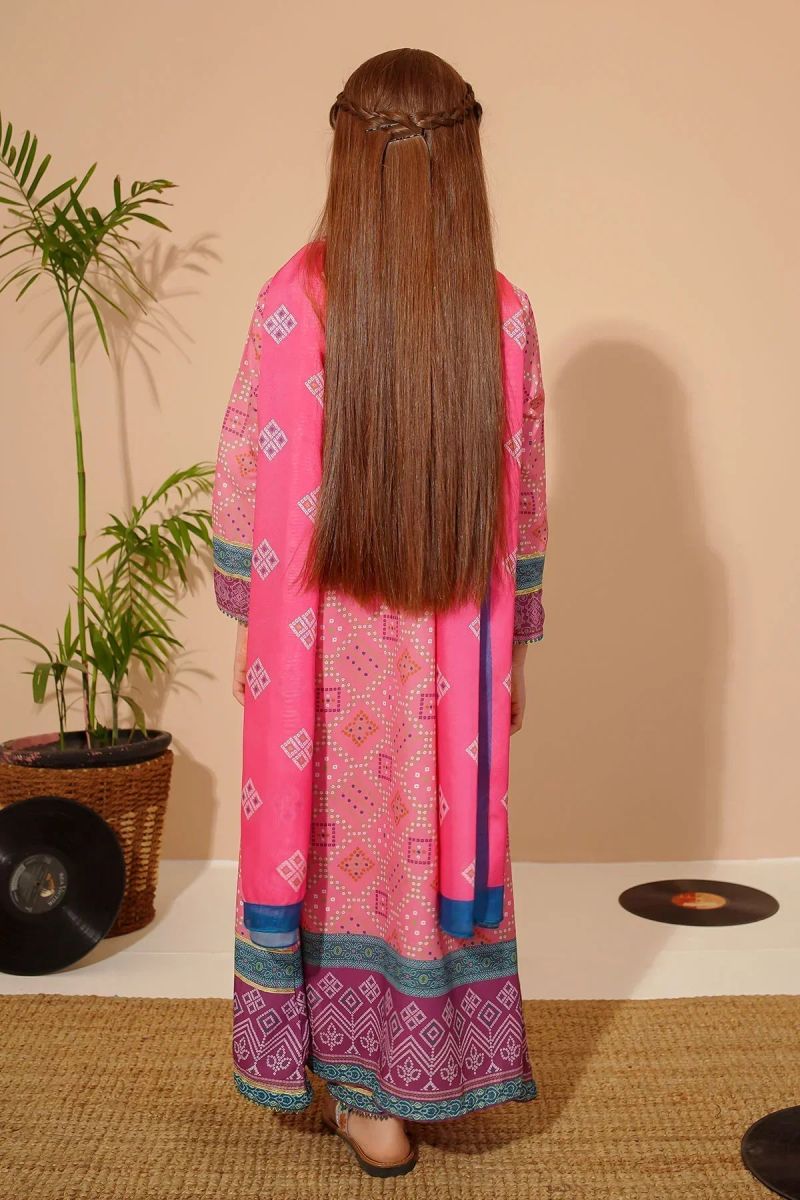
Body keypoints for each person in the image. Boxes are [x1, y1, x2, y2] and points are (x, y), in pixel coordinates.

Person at [211, 47, 548, 1178]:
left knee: (331, 858)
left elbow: (245, 480)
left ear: (347, 153)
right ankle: (417, 1071)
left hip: (317, 658)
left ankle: (364, 1093)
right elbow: (522, 508)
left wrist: (250, 625)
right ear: (465, 158)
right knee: (425, 853)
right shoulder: (502, 316)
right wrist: (513, 654)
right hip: (450, 659)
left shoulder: (289, 303)